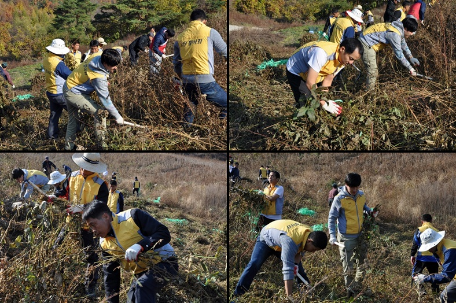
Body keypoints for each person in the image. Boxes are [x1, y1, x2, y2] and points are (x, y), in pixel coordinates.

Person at [82, 200, 178, 303]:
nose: (93, 231)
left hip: (165, 263)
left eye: (93, 225)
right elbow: (111, 276)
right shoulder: (104, 244)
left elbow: (163, 233)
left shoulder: (132, 217)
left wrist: (141, 246)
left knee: (142, 287)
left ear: (106, 216)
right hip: (140, 272)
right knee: (131, 299)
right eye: (90, 227)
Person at [233, 220, 328, 299]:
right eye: (314, 249)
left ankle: (306, 295)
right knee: (254, 264)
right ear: (310, 241)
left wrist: (295, 265)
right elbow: (287, 270)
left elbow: (301, 250)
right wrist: (289, 297)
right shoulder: (291, 241)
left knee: (299, 270)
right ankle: (238, 294)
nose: (313, 252)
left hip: (282, 242)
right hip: (267, 240)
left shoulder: (310, 233)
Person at [173, 9, 227, 125]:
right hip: (205, 80)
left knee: (189, 109)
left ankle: (186, 134)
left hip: (187, 79)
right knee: (228, 104)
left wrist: (182, 78)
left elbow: (176, 64)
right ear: (204, 21)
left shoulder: (180, 37)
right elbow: (225, 51)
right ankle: (221, 125)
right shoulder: (209, 32)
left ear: (190, 21)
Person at [328, 173, 378, 297]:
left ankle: (357, 285)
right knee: (348, 265)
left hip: (360, 235)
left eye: (357, 187)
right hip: (346, 237)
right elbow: (331, 218)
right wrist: (332, 236)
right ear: (346, 185)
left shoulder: (361, 195)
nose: (355, 190)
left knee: (362, 262)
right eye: (352, 187)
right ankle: (349, 291)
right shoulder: (339, 198)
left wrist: (370, 211)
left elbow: (363, 207)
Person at [63, 49, 124, 150]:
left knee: (73, 119)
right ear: (105, 63)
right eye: (113, 65)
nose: (115, 68)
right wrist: (118, 116)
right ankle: (102, 145)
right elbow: (106, 100)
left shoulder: (98, 55)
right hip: (74, 93)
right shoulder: (98, 77)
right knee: (100, 113)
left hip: (68, 85)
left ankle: (68, 147)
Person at [67, 153, 109, 298]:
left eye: (88, 168)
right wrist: (56, 197)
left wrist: (83, 207)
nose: (84, 171)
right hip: (70, 222)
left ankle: (90, 287)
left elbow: (100, 206)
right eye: (82, 167)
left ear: (95, 168)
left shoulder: (101, 185)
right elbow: (65, 195)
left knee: (91, 257)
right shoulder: (72, 176)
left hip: (88, 227)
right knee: (56, 246)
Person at [286, 38, 364, 115]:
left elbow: (328, 80)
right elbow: (310, 82)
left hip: (314, 73)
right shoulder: (322, 53)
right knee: (306, 103)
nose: (351, 62)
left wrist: (324, 100)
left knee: (317, 101)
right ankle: (302, 119)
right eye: (351, 58)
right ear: (342, 49)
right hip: (296, 71)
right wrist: (323, 103)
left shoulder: (343, 60)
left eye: (353, 60)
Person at [358, 17, 420, 91]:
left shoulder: (398, 28)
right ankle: (369, 93)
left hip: (367, 40)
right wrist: (410, 68)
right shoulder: (394, 34)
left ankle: (364, 82)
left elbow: (403, 44)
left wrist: (410, 57)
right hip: (366, 43)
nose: (412, 34)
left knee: (371, 69)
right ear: (406, 29)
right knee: (373, 72)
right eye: (411, 32)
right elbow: (399, 55)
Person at [413, 228, 456, 302]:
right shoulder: (443, 247)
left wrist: (424, 278)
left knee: (444, 297)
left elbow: (447, 276)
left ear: (435, 243)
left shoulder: (449, 250)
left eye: (429, 247)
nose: (428, 249)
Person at [43, 39, 72, 139]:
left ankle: (52, 137)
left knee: (54, 116)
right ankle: (76, 133)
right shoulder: (58, 64)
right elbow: (70, 76)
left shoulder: (47, 59)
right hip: (59, 93)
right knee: (74, 113)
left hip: (51, 93)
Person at [410, 214, 440, 295]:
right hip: (434, 258)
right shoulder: (437, 231)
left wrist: (412, 255)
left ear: (422, 221)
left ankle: (422, 291)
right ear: (431, 220)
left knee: (415, 274)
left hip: (421, 258)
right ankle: (435, 294)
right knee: (434, 276)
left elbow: (415, 243)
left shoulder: (419, 229)